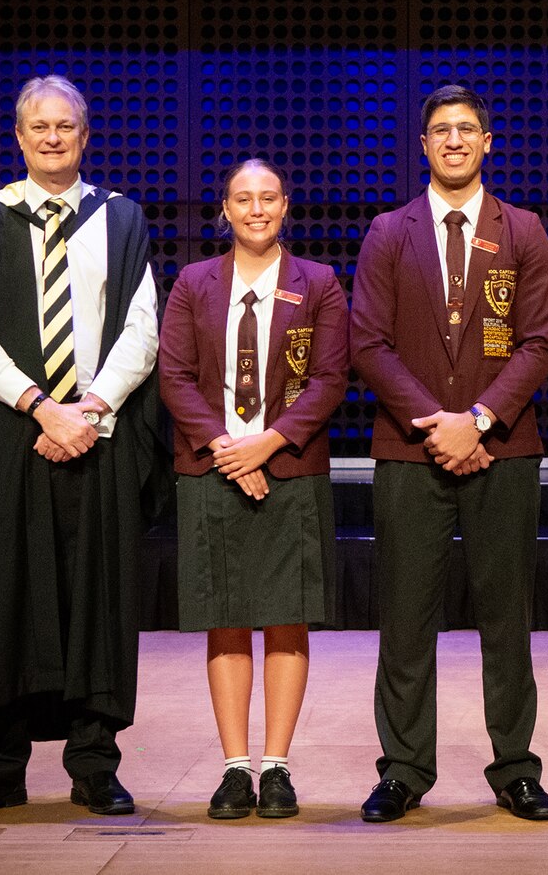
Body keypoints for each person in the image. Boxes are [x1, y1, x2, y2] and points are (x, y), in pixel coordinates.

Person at [0, 74, 169, 818]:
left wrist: (91, 407)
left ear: (84, 133)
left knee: (95, 595)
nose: (51, 137)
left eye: (64, 125)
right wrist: (41, 406)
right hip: (8, 438)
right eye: (38, 126)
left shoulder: (123, 219)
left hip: (95, 436)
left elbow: (143, 326)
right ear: (18, 135)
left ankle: (94, 763)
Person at [350, 85, 548, 823]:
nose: (455, 140)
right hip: (410, 452)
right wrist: (436, 423)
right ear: (423, 144)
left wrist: (477, 419)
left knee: (508, 615)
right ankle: (403, 768)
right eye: (440, 130)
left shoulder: (525, 229)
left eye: (467, 129)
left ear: (488, 141)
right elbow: (366, 341)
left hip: (503, 449)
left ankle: (516, 769)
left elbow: (540, 343)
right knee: (406, 618)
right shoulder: (387, 230)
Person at [159, 158, 348, 819]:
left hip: (289, 468)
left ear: (286, 205)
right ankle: (235, 767)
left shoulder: (319, 284)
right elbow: (175, 376)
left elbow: (329, 379)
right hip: (212, 469)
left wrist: (267, 444)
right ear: (227, 209)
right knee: (227, 618)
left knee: (288, 617)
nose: (258, 208)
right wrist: (227, 449)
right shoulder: (192, 282)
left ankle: (278, 767)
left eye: (269, 197)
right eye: (245, 198)